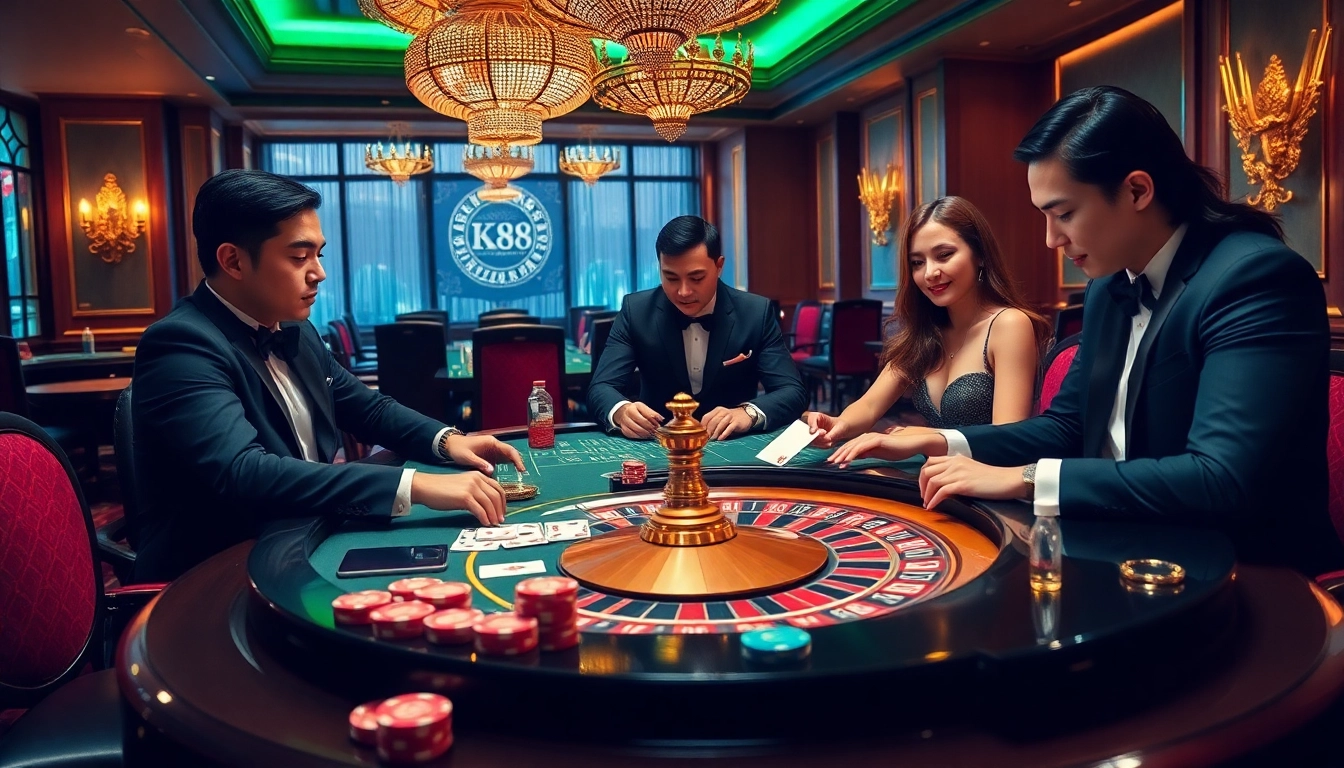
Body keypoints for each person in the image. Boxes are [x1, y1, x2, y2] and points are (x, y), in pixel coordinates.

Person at [830, 86, 1341, 574]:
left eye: (1065, 214)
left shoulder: (1254, 278)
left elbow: (1220, 479)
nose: (1051, 239)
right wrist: (939, 441)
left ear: (1137, 190)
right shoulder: (1108, 286)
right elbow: (1065, 428)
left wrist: (1026, 479)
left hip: (1240, 571)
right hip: (1117, 542)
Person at [132, 170, 524, 582]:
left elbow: (369, 410)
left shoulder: (297, 330)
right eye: (299, 257)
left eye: (319, 255)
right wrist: (413, 485)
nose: (318, 272)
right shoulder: (181, 344)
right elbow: (244, 472)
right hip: (215, 573)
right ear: (233, 261)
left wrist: (447, 441)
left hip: (304, 537)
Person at [805, 196, 1049, 445]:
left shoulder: (1009, 324)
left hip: (982, 470)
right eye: (918, 263)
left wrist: (926, 436)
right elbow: (869, 406)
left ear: (980, 255)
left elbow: (1007, 440)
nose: (930, 273)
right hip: (930, 468)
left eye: (944, 255)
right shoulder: (926, 332)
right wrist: (838, 425)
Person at [587, 215, 807, 441]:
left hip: (732, 444)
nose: (683, 292)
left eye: (697, 278)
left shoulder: (755, 313)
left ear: (719, 266)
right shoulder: (636, 311)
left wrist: (747, 413)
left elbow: (793, 391)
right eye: (671, 278)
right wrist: (621, 411)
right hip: (657, 445)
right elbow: (600, 387)